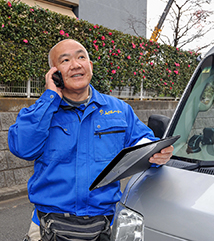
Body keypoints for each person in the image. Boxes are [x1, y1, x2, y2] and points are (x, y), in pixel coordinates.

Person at [8, 39, 174, 241]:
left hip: (104, 226)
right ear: (54, 73)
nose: (76, 64)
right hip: (48, 225)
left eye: (81, 57)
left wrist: (159, 155)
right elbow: (22, 148)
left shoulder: (119, 110)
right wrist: (50, 96)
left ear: (91, 66)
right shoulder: (41, 111)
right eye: (65, 60)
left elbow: (145, 145)